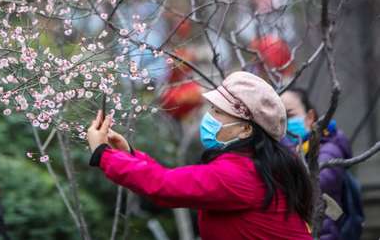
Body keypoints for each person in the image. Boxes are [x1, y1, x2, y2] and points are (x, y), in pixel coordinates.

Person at [87, 71, 313, 240]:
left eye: (218, 112)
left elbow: (163, 185)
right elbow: (171, 179)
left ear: (246, 129)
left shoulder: (238, 174)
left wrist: (103, 154)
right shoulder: (254, 165)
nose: (209, 117)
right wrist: (128, 155)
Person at [282, 88, 362, 240]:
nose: (284, 124)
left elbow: (316, 183)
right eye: (279, 118)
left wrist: (283, 145)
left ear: (310, 117)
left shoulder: (329, 147)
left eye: (289, 115)